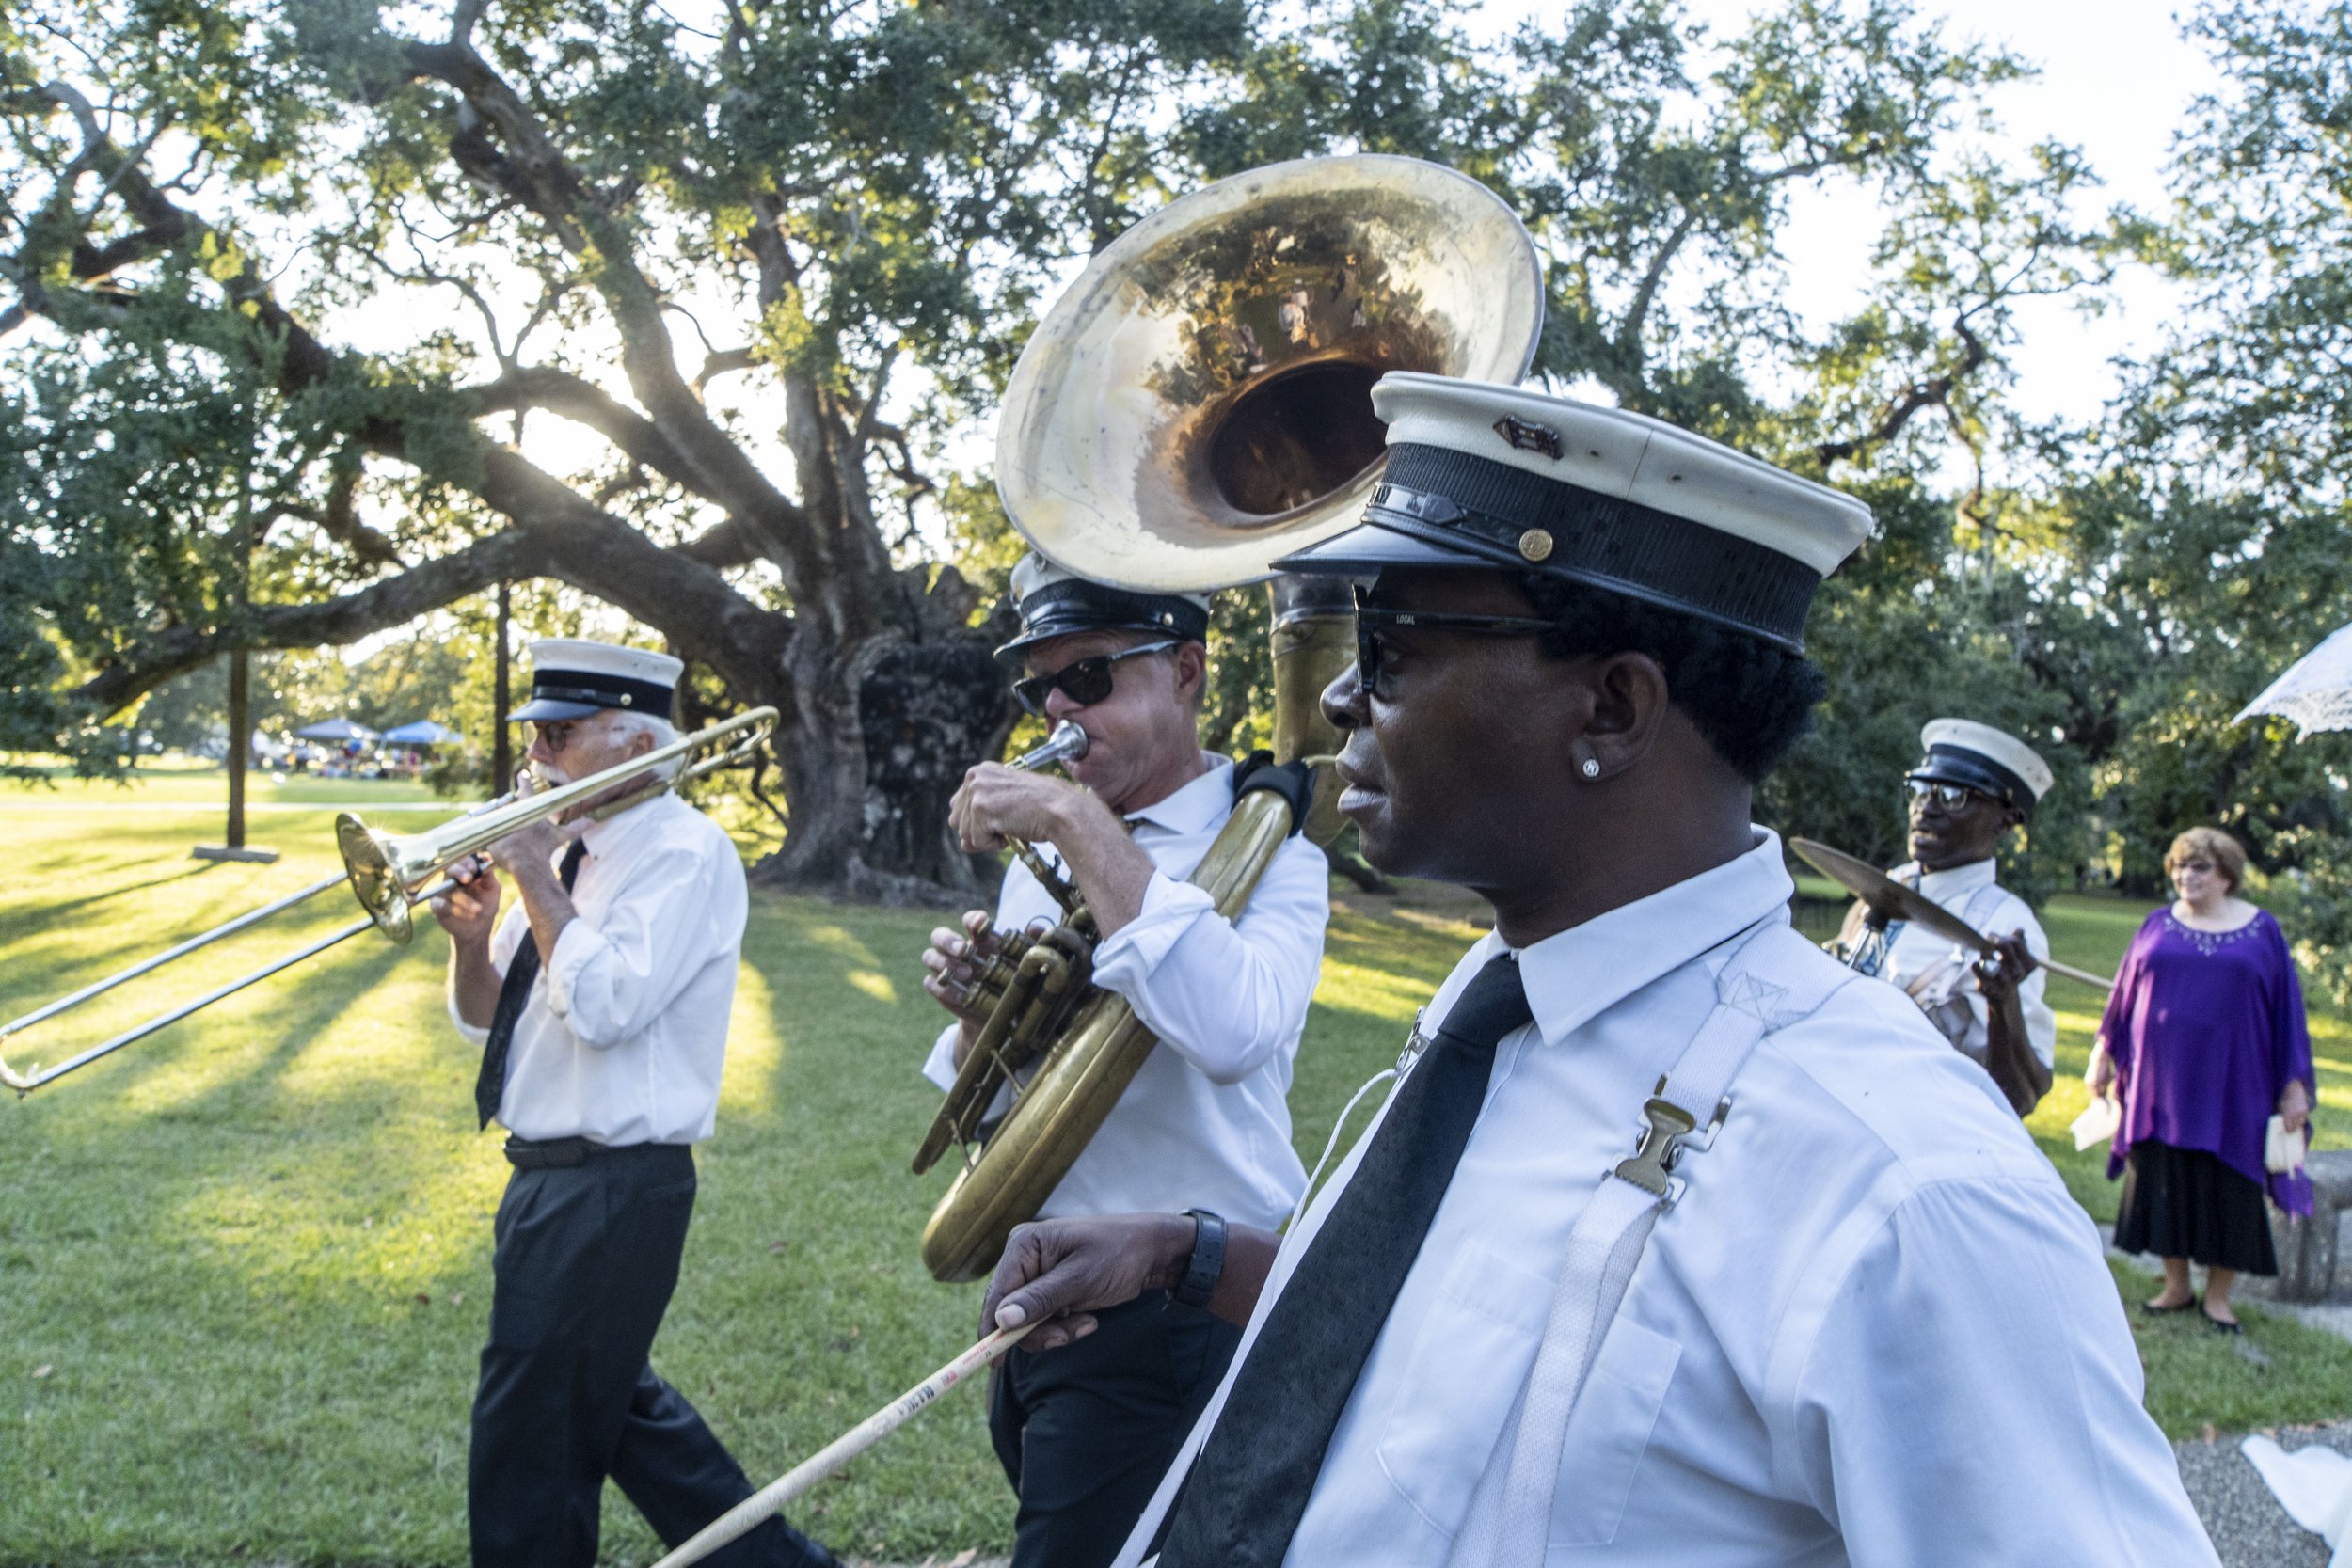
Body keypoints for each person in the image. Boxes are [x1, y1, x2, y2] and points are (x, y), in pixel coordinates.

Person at [977, 373, 2217, 1566]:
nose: (1346, 691)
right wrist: (1190, 1252)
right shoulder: (1501, 999)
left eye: (1396, 642)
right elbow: (1458, 1331)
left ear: (1614, 709)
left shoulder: (1904, 1184)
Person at [917, 553, 1330, 1568]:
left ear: (1185, 669)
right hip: (1051, 1280)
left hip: (1181, 1302)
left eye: (1089, 675)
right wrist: (981, 1014)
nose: (1058, 707)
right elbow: (992, 1104)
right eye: (1039, 684)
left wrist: (1074, 817)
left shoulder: (1277, 857)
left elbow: (1234, 1032)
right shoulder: (1053, 852)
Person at [429, 638, 835, 1568]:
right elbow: (490, 1019)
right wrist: (469, 938)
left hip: (616, 1182)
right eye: (533, 737)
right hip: (543, 1180)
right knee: (613, 1410)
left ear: (631, 742)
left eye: (558, 737)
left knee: (527, 1435)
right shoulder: (572, 855)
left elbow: (608, 1009)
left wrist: (532, 874)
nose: (535, 759)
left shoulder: (682, 854)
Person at [2092, 826, 2317, 1333]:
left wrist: (2294, 1084)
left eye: (2200, 868)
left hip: (2236, 1086)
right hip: (2160, 1084)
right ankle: (2175, 1287)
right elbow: (2123, 997)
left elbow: (2288, 1013)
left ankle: (2219, 1297)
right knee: (2165, 1179)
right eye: (2179, 866)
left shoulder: (2262, 932)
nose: (2186, 876)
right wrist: (2103, 1055)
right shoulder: (2155, 924)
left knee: (2230, 1186)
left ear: (2227, 875)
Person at [1833, 718, 2058, 1114]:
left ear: (2005, 819)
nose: (1926, 809)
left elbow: (2020, 1098)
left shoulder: (2006, 926)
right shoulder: (1882, 888)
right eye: (1919, 791)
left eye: (1954, 795)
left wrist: (2003, 1002)